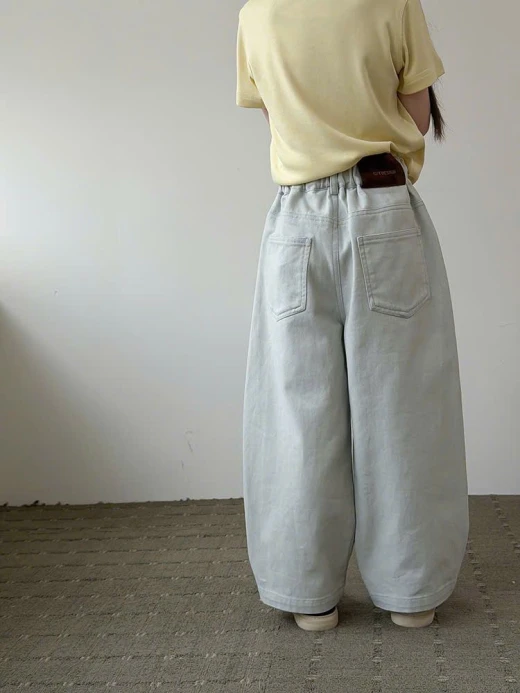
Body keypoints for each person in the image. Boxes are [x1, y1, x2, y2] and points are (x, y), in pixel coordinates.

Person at [236, 0, 469, 632]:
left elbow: (282, 121)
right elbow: (416, 115)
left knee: (297, 412)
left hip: (296, 222)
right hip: (383, 208)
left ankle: (307, 594)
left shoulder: (256, 13)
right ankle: (412, 592)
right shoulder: (393, 2)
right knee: (404, 406)